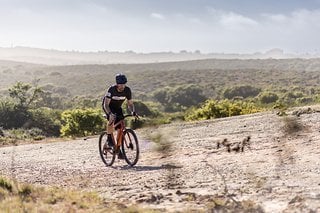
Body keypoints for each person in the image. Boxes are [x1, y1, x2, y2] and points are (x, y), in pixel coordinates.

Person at [102, 73, 136, 159]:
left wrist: (133, 111)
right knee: (112, 119)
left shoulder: (127, 90)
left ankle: (118, 148)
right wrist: (110, 114)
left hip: (118, 108)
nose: (122, 86)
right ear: (117, 83)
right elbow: (106, 104)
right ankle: (109, 139)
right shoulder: (112, 90)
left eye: (124, 83)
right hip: (108, 107)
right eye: (120, 84)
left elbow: (130, 103)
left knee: (120, 128)